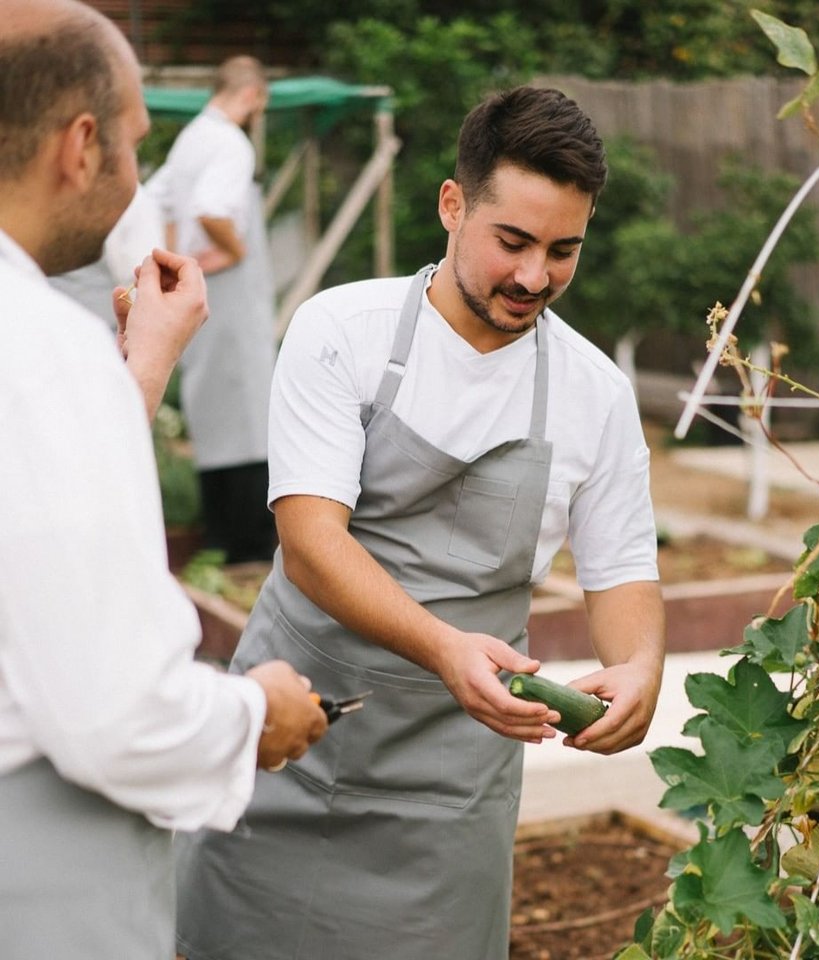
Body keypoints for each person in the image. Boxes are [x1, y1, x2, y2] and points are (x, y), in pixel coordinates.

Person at [176, 85, 666, 960]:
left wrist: (639, 669)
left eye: (563, 252)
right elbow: (313, 544)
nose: (532, 277)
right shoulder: (342, 332)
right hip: (290, 741)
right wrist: (448, 651)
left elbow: (623, 568)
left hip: (451, 787)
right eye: (511, 241)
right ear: (452, 204)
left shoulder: (596, 393)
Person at [0, 4, 329, 958]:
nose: (141, 180)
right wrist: (255, 713)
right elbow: (114, 718)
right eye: (137, 148)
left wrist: (136, 368)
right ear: (81, 144)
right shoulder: (43, 348)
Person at [149, 55, 278, 563]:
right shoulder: (229, 142)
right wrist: (234, 250)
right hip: (235, 299)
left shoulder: (190, 139)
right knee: (250, 416)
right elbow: (211, 207)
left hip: (208, 303)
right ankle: (250, 548)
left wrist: (176, 258)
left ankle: (220, 538)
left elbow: (157, 203)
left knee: (215, 416)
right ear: (250, 95)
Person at [50, 183, 165, 329]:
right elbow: (141, 276)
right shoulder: (128, 199)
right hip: (102, 330)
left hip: (48, 325)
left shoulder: (40, 196)